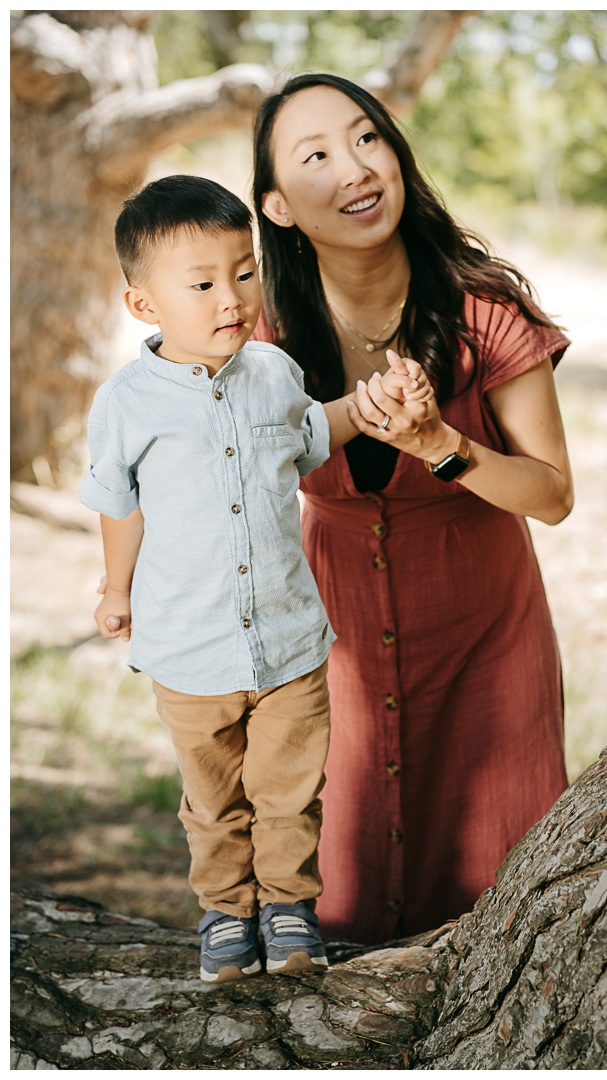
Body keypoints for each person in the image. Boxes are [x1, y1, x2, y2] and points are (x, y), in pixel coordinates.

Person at [80, 174, 432, 981]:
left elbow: (311, 434)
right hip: (188, 646)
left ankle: (288, 911)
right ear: (144, 305)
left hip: (286, 638)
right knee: (213, 797)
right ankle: (224, 914)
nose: (231, 296)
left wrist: (369, 401)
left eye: (244, 272)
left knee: (288, 790)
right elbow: (118, 503)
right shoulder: (128, 403)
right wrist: (114, 588)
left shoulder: (272, 371)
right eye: (202, 283)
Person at [251, 73, 575, 945]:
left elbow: (553, 495)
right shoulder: (264, 339)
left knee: (499, 902)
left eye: (367, 139)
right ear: (279, 207)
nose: (355, 168)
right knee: (339, 905)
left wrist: (444, 444)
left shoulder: (483, 313)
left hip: (487, 641)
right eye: (316, 155)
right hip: (335, 644)